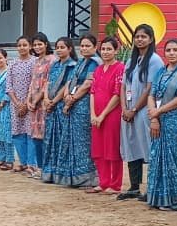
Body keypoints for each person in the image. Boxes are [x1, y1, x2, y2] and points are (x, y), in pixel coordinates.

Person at [143, 39, 177, 211]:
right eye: (168, 50)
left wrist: (158, 112)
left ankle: (176, 200)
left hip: (175, 120)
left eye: (175, 50)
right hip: (158, 120)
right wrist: (154, 118)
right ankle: (159, 198)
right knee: (157, 158)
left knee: (174, 159)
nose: (171, 53)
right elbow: (151, 95)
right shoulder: (161, 71)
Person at [118, 24, 164, 200]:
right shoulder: (131, 60)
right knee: (131, 146)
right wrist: (125, 108)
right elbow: (123, 86)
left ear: (151, 39)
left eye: (143, 36)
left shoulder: (155, 60)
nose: (139, 39)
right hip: (128, 112)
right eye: (137, 36)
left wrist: (135, 109)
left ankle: (151, 188)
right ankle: (134, 187)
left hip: (144, 111)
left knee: (148, 147)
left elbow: (150, 88)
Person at [55, 33, 98, 188]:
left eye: (88, 46)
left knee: (82, 141)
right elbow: (69, 81)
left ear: (95, 47)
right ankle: (73, 176)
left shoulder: (95, 63)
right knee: (71, 139)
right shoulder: (80, 62)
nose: (84, 48)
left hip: (83, 104)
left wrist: (72, 99)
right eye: (83, 46)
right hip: (72, 104)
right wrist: (66, 95)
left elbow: (87, 84)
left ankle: (87, 178)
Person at [88, 37, 125, 194]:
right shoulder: (98, 70)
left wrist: (102, 115)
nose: (105, 52)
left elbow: (117, 94)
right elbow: (92, 92)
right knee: (98, 148)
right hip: (96, 114)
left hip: (112, 114)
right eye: (103, 49)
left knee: (112, 148)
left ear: (116, 51)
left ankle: (115, 184)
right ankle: (103, 182)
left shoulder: (120, 68)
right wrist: (93, 113)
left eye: (109, 49)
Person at [39, 37, 76, 184]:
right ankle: (50, 172)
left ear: (70, 49)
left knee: (61, 138)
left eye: (62, 47)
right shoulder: (54, 65)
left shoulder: (72, 65)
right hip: (50, 107)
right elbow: (47, 83)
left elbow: (67, 85)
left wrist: (54, 101)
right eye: (58, 47)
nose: (59, 50)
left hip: (61, 106)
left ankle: (61, 173)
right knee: (49, 139)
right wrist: (46, 99)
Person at [24, 33, 54, 178]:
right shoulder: (35, 61)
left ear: (46, 44)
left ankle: (47, 168)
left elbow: (47, 82)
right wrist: (28, 100)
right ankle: (40, 167)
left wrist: (36, 100)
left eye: (40, 44)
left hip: (44, 103)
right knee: (35, 137)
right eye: (35, 45)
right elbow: (32, 82)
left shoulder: (52, 60)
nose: (37, 47)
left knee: (45, 137)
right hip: (34, 105)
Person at [6, 36, 35, 173]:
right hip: (15, 104)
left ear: (30, 46)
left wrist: (26, 103)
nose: (22, 48)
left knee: (30, 133)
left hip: (32, 103)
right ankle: (22, 162)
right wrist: (17, 103)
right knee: (17, 132)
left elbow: (35, 84)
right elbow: (8, 86)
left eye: (25, 45)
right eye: (19, 45)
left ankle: (31, 163)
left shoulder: (35, 62)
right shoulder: (12, 64)